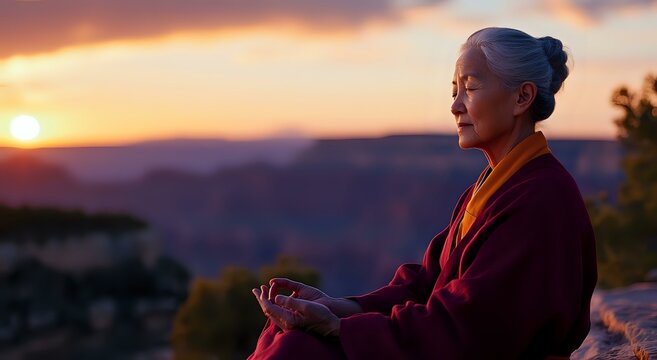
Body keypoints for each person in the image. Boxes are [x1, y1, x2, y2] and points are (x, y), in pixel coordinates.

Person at [249, 27, 597, 359]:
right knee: (284, 331)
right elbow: (428, 283)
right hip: (442, 341)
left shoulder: (541, 200)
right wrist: (341, 307)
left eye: (470, 88)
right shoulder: (494, 185)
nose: (455, 106)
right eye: (453, 91)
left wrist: (340, 329)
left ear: (522, 97)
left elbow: (471, 330)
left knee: (298, 351)